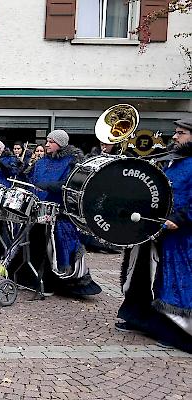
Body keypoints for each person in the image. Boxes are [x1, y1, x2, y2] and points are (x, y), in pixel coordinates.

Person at [116, 118, 192, 353]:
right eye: (176, 132)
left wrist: (179, 219)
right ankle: (138, 318)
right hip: (154, 226)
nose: (175, 137)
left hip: (180, 234)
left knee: (174, 282)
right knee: (142, 274)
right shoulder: (171, 159)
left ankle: (178, 333)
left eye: (181, 133)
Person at [18, 129, 102, 296]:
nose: (47, 144)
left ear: (61, 143)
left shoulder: (72, 161)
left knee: (56, 248)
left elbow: (71, 184)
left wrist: (49, 186)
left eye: (51, 141)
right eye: (47, 141)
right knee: (32, 243)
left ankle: (55, 283)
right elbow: (31, 180)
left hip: (59, 213)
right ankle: (27, 278)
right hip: (37, 210)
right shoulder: (40, 162)